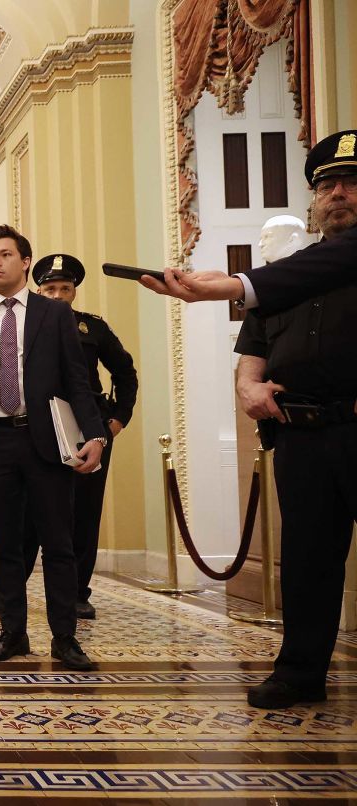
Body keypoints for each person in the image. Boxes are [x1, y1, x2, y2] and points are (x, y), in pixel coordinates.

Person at [146, 129, 357, 710]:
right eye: (327, 186)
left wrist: (230, 284)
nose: (338, 194)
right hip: (302, 433)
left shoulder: (310, 268)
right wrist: (246, 384)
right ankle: (299, 672)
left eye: (351, 183)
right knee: (308, 560)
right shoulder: (294, 271)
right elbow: (256, 342)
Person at [0, 225, 105, 671]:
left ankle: (64, 638)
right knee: (6, 546)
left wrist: (93, 435)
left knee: (58, 540)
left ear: (23, 261)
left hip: (45, 441)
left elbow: (77, 379)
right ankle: (13, 633)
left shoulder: (52, 315)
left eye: (3, 255)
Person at [0, 253, 137, 620]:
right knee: (25, 513)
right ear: (39, 288)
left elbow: (125, 374)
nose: (59, 295)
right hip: (38, 426)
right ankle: (4, 588)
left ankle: (77, 592)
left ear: (75, 291)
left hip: (85, 428)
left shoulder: (92, 329)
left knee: (82, 512)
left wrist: (115, 422)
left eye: (66, 288)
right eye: (50, 288)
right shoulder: (27, 323)